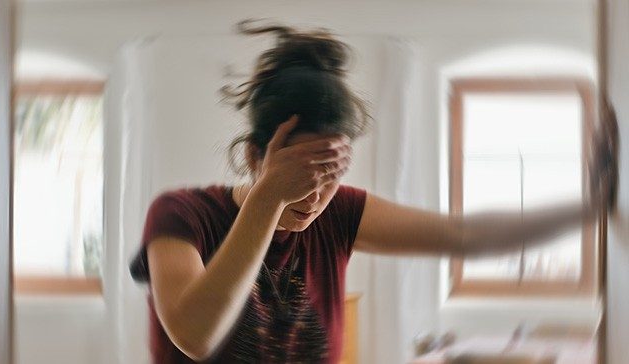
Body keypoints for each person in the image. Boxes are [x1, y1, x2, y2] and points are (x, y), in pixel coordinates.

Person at [129, 20, 617, 364]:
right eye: (299, 172)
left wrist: (591, 206)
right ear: (257, 157)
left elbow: (466, 236)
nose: (314, 194)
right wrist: (269, 198)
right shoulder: (181, 214)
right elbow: (195, 335)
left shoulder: (340, 214)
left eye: (330, 172)